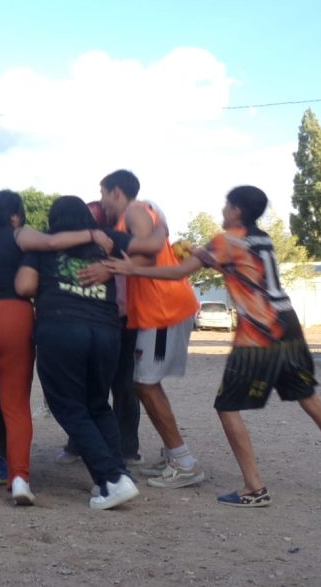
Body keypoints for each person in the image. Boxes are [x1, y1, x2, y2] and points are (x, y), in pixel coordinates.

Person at [104, 185, 321, 506]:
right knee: (307, 396)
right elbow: (239, 268)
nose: (223, 210)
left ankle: (254, 487)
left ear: (237, 211)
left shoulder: (226, 239)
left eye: (227, 205)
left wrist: (132, 268)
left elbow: (178, 272)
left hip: (258, 329)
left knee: (227, 407)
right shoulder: (262, 239)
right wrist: (200, 253)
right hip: (287, 322)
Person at [0, 189, 115, 506]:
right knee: (16, 405)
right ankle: (20, 479)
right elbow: (52, 242)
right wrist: (92, 233)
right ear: (14, 215)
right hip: (15, 316)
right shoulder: (19, 235)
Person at [15, 196, 143, 510]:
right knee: (98, 404)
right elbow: (150, 254)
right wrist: (112, 267)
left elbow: (25, 286)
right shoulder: (109, 241)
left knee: (68, 406)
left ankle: (113, 478)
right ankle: (116, 476)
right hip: (107, 331)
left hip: (61, 330)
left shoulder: (43, 244)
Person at [87, 170, 204, 490]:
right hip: (157, 309)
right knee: (144, 384)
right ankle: (174, 455)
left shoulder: (135, 211)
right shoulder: (135, 216)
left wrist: (113, 265)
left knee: (145, 384)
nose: (101, 201)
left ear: (116, 192)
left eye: (103, 193)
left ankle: (184, 462)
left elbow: (149, 252)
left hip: (162, 308)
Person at [57, 200, 145, 467]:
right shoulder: (72, 246)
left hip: (122, 321)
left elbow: (147, 255)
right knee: (86, 386)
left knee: (123, 386)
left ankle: (127, 448)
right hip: (92, 321)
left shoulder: (118, 243)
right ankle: (78, 444)